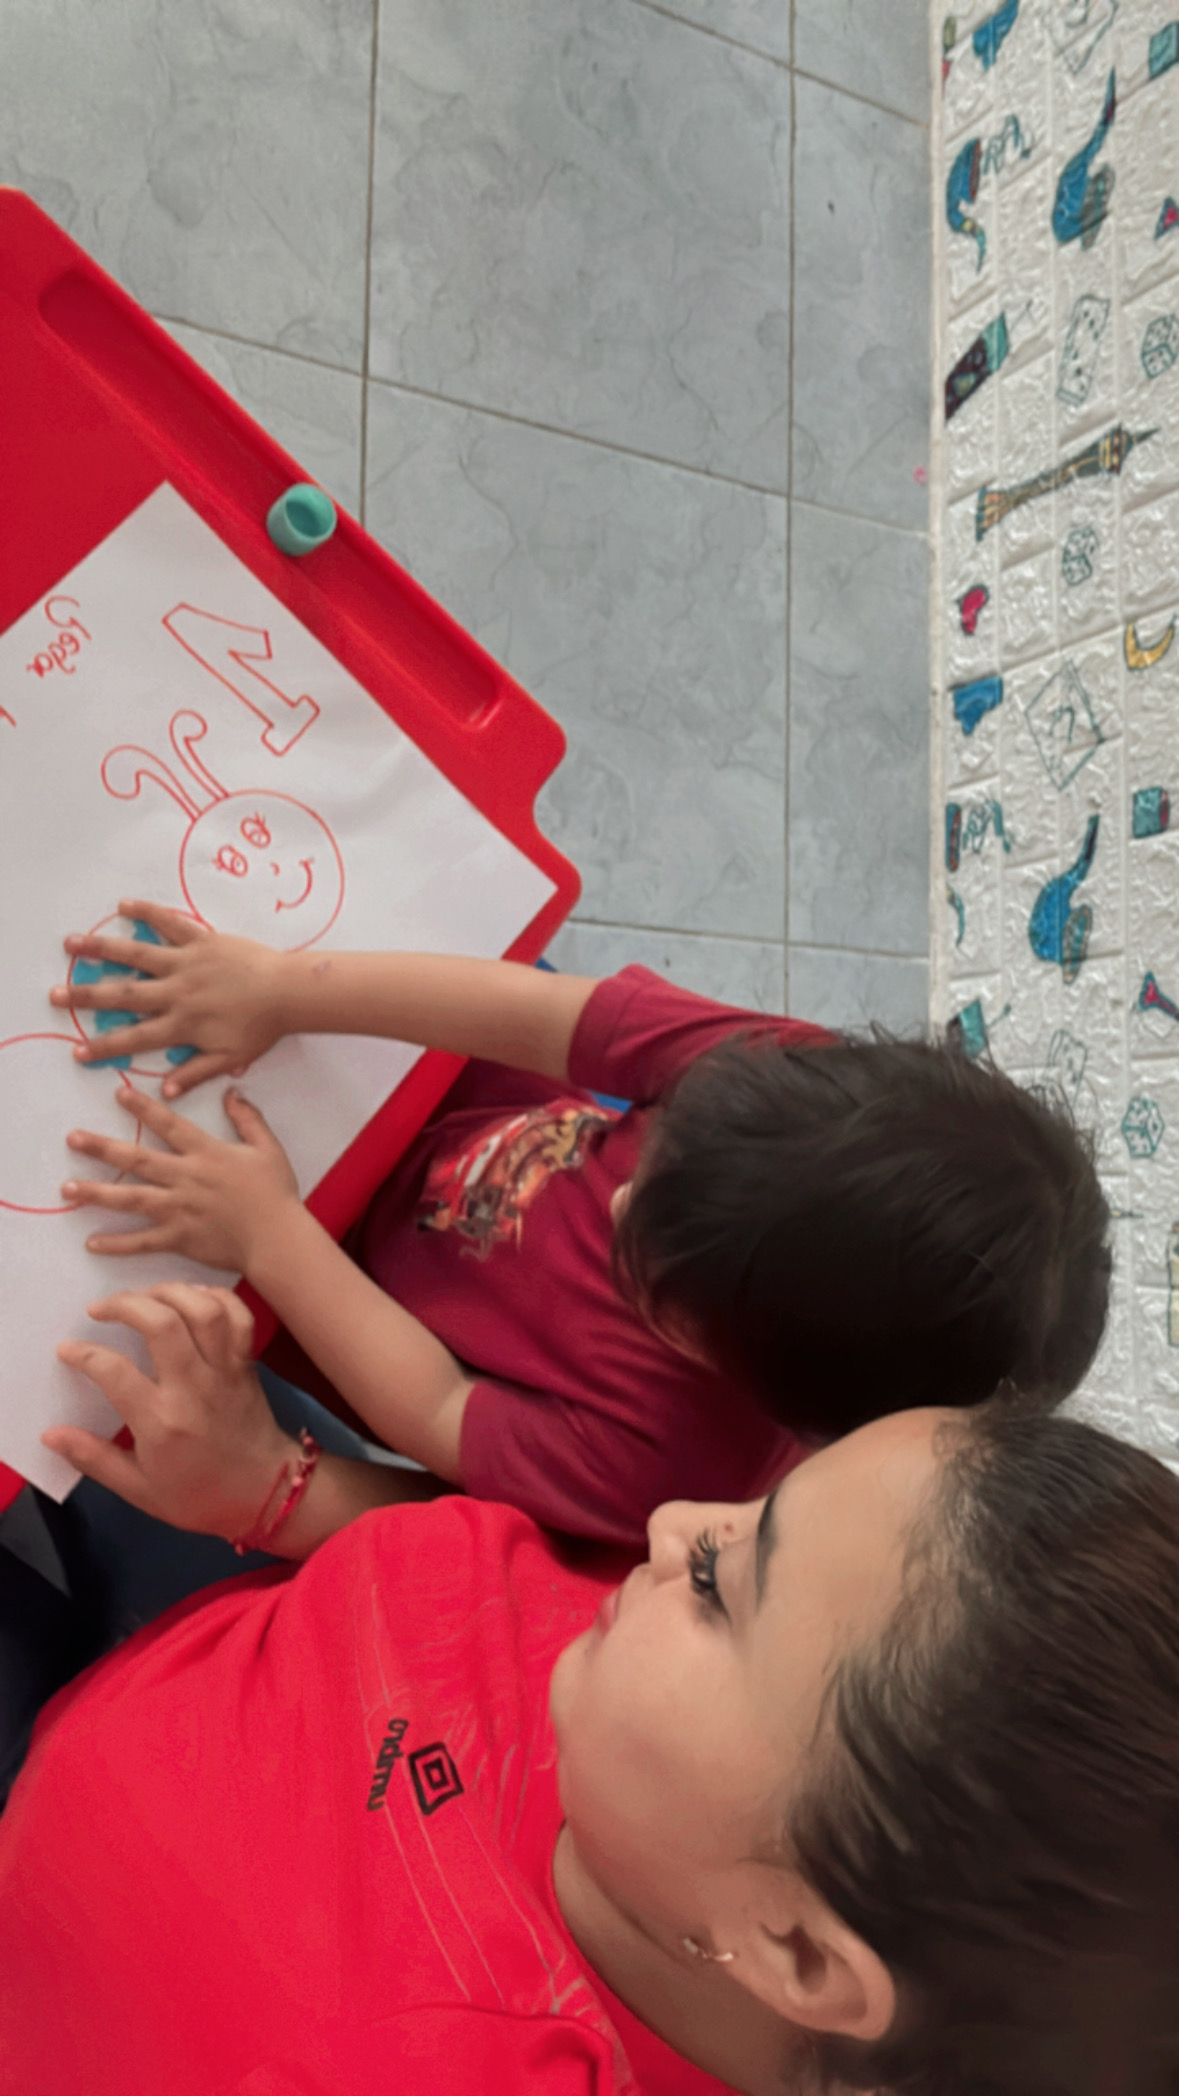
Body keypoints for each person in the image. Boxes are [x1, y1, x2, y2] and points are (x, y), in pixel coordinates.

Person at [2, 1281, 1178, 2096]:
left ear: (799, 1950)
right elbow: (475, 1550)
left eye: (718, 1583)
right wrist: (278, 1490)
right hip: (231, 1563)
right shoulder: (736, 1696)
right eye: (762, 1505)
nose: (671, 1522)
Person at [47, 903, 1113, 1549]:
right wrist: (281, 989)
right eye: (662, 1152)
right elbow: (552, 1017)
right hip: (400, 1106)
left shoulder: (669, 1461)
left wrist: (272, 1236)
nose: (618, 1196)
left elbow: (436, 1408)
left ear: (770, 1387)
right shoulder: (790, 1080)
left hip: (339, 1290)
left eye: (655, 1269)